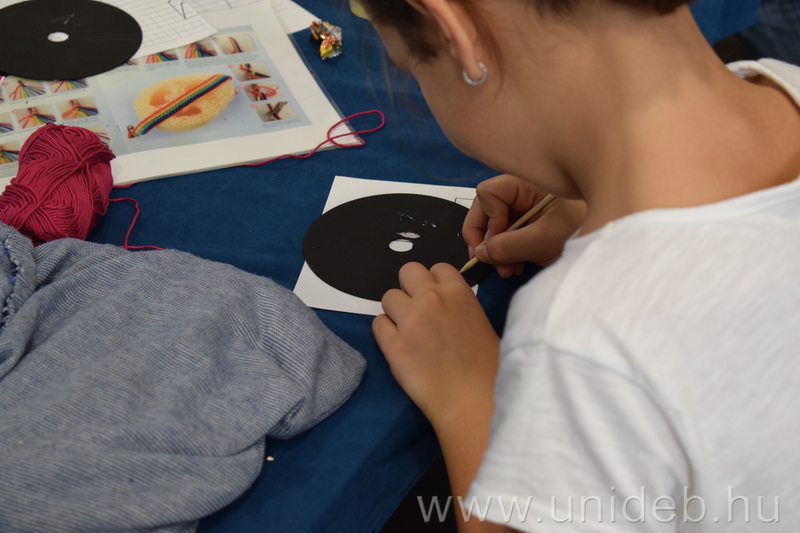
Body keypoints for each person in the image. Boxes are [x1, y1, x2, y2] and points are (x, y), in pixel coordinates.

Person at [363, 0, 800, 531]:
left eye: (411, 66)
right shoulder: (785, 83)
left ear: (455, 28)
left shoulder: (585, 339)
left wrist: (469, 392)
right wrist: (595, 210)